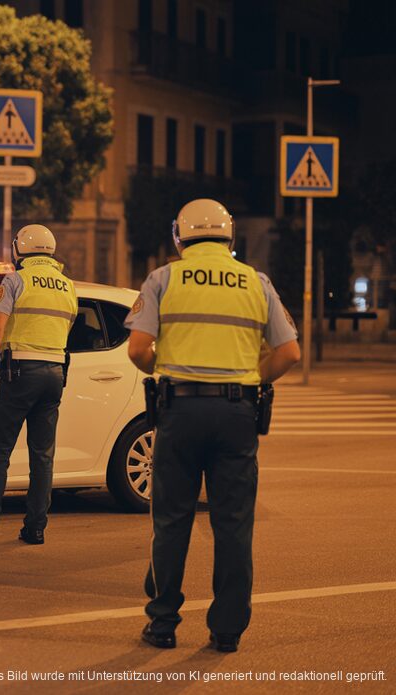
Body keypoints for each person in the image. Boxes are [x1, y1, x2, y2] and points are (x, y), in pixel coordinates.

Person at [126, 199, 300, 654]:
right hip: (237, 413)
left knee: (171, 520)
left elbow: (137, 349)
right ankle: (227, 631)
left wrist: (167, 367)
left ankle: (162, 623)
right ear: (230, 236)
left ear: (178, 236)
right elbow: (289, 353)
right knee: (233, 524)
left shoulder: (163, 278)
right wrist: (248, 380)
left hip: (179, 410)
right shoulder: (256, 282)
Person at [0, 224, 77, 546]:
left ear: (19, 248)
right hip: (55, 374)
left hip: (19, 373)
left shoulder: (16, 280)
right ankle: (35, 528)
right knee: (43, 456)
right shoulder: (67, 286)